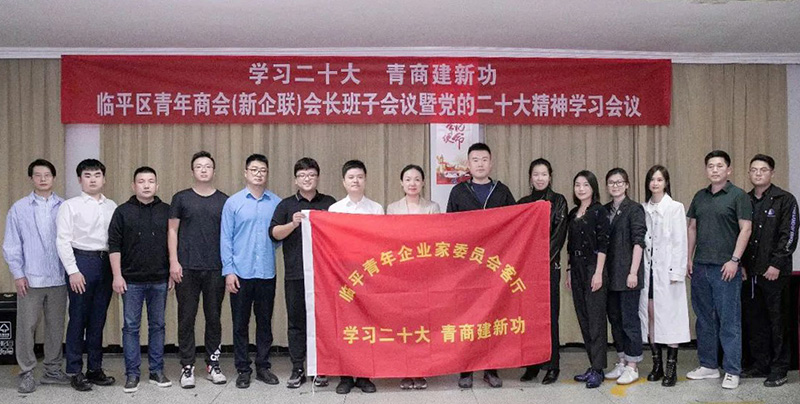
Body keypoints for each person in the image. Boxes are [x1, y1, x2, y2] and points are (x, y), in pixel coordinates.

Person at [446, 142, 515, 389]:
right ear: (468, 164)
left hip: (494, 265)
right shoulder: (458, 192)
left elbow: (516, 223)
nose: (480, 164)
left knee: (491, 317)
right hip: (467, 267)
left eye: (484, 159)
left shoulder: (502, 191)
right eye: (475, 160)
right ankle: (465, 370)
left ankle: (490, 369)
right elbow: (449, 228)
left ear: (491, 162)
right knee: (466, 317)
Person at [686, 150, 752, 389]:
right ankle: (708, 365)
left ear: (729, 169)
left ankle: (732, 370)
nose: (715, 170)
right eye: (711, 166)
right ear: (706, 170)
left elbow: (746, 229)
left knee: (729, 321)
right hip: (700, 266)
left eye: (719, 166)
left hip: (726, 268)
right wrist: (689, 258)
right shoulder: (700, 196)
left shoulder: (738, 196)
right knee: (704, 319)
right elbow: (692, 228)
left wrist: (735, 260)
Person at [3, 159, 70, 393]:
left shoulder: (65, 207)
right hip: (30, 279)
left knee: (56, 327)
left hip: (59, 278)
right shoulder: (19, 208)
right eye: (38, 175)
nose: (43, 179)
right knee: (26, 327)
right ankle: (26, 372)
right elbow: (12, 244)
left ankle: (52, 370)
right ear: (31, 178)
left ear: (54, 178)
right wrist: (18, 274)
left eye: (47, 175)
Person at [269, 157, 336, 389]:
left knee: (324, 321)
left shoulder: (329, 203)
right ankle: (298, 367)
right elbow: (274, 233)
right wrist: (292, 224)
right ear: (295, 180)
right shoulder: (286, 205)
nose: (307, 179)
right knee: (296, 322)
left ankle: (322, 367)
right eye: (302, 175)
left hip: (325, 275)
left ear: (318, 177)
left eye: (311, 175)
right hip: (296, 274)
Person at [108, 166, 172, 393]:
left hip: (160, 279)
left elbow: (174, 243)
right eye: (141, 181)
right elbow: (114, 245)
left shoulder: (167, 210)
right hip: (131, 281)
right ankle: (132, 374)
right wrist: (117, 275)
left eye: (151, 181)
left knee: (158, 326)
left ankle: (156, 370)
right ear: (133, 186)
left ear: (157, 185)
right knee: (131, 327)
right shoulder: (122, 212)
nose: (146, 185)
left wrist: (172, 272)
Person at [56, 158, 117, 391]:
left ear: (104, 179)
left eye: (97, 175)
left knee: (98, 319)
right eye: (87, 176)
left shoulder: (112, 206)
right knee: (78, 318)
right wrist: (73, 271)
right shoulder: (69, 206)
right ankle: (74, 370)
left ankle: (94, 368)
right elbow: (62, 240)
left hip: (105, 263)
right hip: (81, 261)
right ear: (79, 179)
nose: (93, 180)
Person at [169, 151, 229, 388]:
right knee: (186, 318)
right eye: (199, 166)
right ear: (192, 171)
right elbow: (172, 231)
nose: (203, 170)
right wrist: (174, 261)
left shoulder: (224, 201)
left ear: (214, 171)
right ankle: (187, 366)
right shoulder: (181, 198)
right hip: (187, 268)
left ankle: (213, 363)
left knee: (214, 317)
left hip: (215, 268)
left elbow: (229, 236)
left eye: (207, 166)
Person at [221, 154, 281, 389]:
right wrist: (229, 271)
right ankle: (243, 369)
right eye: (254, 170)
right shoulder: (233, 203)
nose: (258, 174)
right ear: (245, 173)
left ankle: (263, 367)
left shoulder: (276, 203)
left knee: (264, 323)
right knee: (240, 324)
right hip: (240, 273)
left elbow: (279, 236)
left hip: (266, 272)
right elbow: (226, 239)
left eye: (262, 170)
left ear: (267, 174)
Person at [740, 154, 798, 387]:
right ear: (749, 173)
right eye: (754, 170)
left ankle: (779, 368)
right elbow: (739, 234)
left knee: (778, 322)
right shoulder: (744, 200)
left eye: (763, 170)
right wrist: (741, 265)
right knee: (756, 321)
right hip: (750, 273)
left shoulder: (785, 200)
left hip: (775, 273)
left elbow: (789, 235)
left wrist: (776, 264)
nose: (758, 174)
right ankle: (760, 364)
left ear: (772, 173)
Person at [329, 159, 383, 394]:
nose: (356, 181)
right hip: (342, 275)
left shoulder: (376, 208)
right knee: (344, 325)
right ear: (343, 181)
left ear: (365, 179)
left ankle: (364, 375)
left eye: (360, 177)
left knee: (366, 324)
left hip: (368, 274)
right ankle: (345, 376)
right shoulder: (335, 209)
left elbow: (381, 242)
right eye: (351, 177)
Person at [387, 164, 441, 390]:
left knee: (423, 322)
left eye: (417, 179)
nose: (412, 183)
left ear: (423, 183)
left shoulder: (433, 207)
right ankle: (405, 370)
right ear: (401, 183)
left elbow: (436, 238)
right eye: (408, 179)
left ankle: (421, 371)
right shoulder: (392, 208)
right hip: (401, 273)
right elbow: (390, 240)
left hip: (425, 272)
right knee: (403, 322)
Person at [517, 158, 568, 385]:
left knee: (550, 316)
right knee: (529, 317)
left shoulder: (558, 201)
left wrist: (540, 261)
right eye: (536, 174)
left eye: (544, 174)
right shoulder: (523, 203)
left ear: (550, 177)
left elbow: (558, 236)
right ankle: (532, 364)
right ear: (530, 178)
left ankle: (552, 365)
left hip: (548, 268)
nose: (540, 178)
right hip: (526, 271)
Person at [639, 165, 690, 387]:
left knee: (670, 319)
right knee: (651, 316)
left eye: (659, 179)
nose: (655, 183)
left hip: (668, 274)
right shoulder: (643, 209)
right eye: (652, 179)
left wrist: (677, 271)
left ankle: (671, 368)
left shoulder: (675, 208)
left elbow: (680, 242)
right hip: (648, 272)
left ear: (666, 182)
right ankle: (656, 364)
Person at [603, 168, 646, 385]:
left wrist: (633, 272)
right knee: (615, 319)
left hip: (628, 274)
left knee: (630, 321)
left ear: (627, 185)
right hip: (610, 276)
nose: (616, 186)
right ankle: (621, 360)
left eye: (619, 182)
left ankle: (632, 365)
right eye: (611, 182)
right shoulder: (604, 210)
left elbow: (639, 242)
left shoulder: (634, 209)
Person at [566, 170, 609, 389]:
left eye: (585, 185)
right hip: (576, 268)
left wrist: (598, 272)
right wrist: (568, 270)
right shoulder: (573, 213)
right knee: (583, 318)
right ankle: (592, 365)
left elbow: (603, 243)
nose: (581, 189)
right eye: (577, 185)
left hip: (593, 267)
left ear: (593, 188)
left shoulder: (599, 211)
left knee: (596, 320)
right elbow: (570, 245)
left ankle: (599, 369)